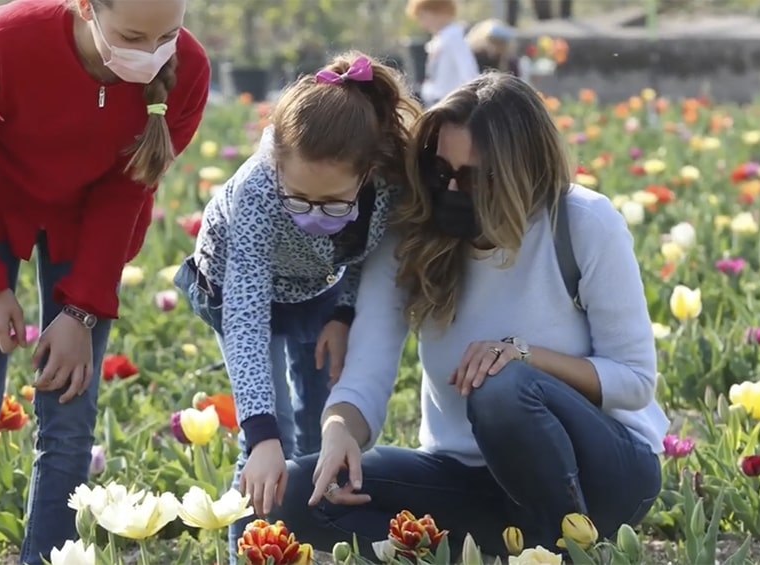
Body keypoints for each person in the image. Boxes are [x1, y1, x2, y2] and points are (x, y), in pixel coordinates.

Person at [273, 72, 669, 560]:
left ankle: (564, 550)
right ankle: (499, 550)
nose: (454, 189)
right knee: (294, 495)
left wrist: (523, 355)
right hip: (469, 481)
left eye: (477, 176)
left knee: (502, 386)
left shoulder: (581, 223)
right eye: (442, 172)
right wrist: (338, 431)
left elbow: (635, 381)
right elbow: (366, 376)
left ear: (524, 169)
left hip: (602, 476)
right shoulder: (411, 235)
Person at [0, 0, 209, 562]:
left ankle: (50, 556)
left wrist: (80, 312)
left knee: (71, 412)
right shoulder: (8, 40)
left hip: (88, 227)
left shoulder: (188, 72)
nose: (149, 57)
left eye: (165, 37)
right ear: (85, 7)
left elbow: (127, 190)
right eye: (130, 36)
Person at [172, 52, 420, 559]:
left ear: (367, 173)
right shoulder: (259, 191)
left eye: (333, 204)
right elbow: (244, 316)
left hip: (320, 286)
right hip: (235, 285)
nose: (313, 214)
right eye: (299, 199)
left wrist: (343, 313)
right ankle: (253, 550)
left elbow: (367, 259)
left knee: (320, 419)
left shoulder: (389, 186)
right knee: (272, 437)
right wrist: (261, 434)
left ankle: (314, 542)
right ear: (278, 167)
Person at [405, 0, 480, 108]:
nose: (422, 23)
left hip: (449, 104)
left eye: (423, 16)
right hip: (435, 102)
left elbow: (470, 74)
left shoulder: (454, 38)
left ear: (440, 12)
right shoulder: (440, 39)